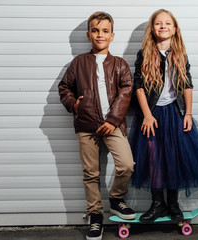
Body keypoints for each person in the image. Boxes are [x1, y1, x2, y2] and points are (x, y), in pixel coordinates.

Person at [129, 9, 198, 224]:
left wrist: (187, 113)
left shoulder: (180, 54)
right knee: (153, 159)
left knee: (173, 158)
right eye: (158, 23)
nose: (163, 26)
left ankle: (173, 203)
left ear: (175, 29)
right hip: (152, 114)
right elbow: (139, 87)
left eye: (167, 23)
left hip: (174, 112)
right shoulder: (144, 54)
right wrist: (147, 115)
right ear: (152, 28)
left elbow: (187, 84)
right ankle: (157, 203)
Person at [58, 11, 136, 240]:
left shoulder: (120, 64)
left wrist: (113, 121)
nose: (100, 35)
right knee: (91, 173)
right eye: (95, 30)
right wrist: (74, 104)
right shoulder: (78, 62)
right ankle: (95, 216)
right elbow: (64, 88)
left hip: (113, 125)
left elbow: (126, 91)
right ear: (88, 34)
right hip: (86, 125)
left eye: (105, 31)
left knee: (127, 164)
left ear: (112, 36)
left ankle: (116, 199)